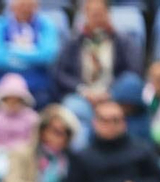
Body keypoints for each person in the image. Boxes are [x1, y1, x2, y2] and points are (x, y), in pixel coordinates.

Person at [54, 0, 142, 132]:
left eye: (101, 14)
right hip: (82, 96)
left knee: (131, 86)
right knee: (74, 111)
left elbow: (133, 70)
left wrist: (110, 92)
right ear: (85, 15)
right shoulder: (72, 44)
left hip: (114, 94)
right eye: (93, 14)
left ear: (108, 14)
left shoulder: (123, 42)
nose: (97, 18)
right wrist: (84, 91)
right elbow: (60, 74)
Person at [0, 0, 59, 108]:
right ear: (12, 6)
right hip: (2, 87)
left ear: (36, 7)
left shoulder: (46, 25)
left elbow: (47, 56)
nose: (25, 10)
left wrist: (11, 51)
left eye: (28, 5)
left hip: (37, 87)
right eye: (21, 5)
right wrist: (32, 54)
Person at [0, 74, 38, 181]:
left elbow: (33, 141)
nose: (12, 103)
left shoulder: (31, 118)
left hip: (23, 159)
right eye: (9, 99)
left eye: (16, 99)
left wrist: (18, 150)